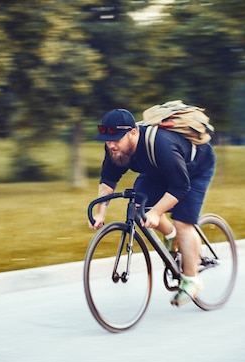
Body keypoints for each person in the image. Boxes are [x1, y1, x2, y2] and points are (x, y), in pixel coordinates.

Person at [88, 108, 216, 307]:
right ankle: (172, 237)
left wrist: (156, 212)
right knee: (137, 208)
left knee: (182, 221)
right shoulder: (115, 147)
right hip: (157, 171)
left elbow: (181, 187)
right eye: (106, 140)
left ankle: (191, 280)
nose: (111, 145)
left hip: (195, 169)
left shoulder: (161, 146)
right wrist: (100, 213)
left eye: (116, 140)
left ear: (133, 132)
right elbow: (108, 180)